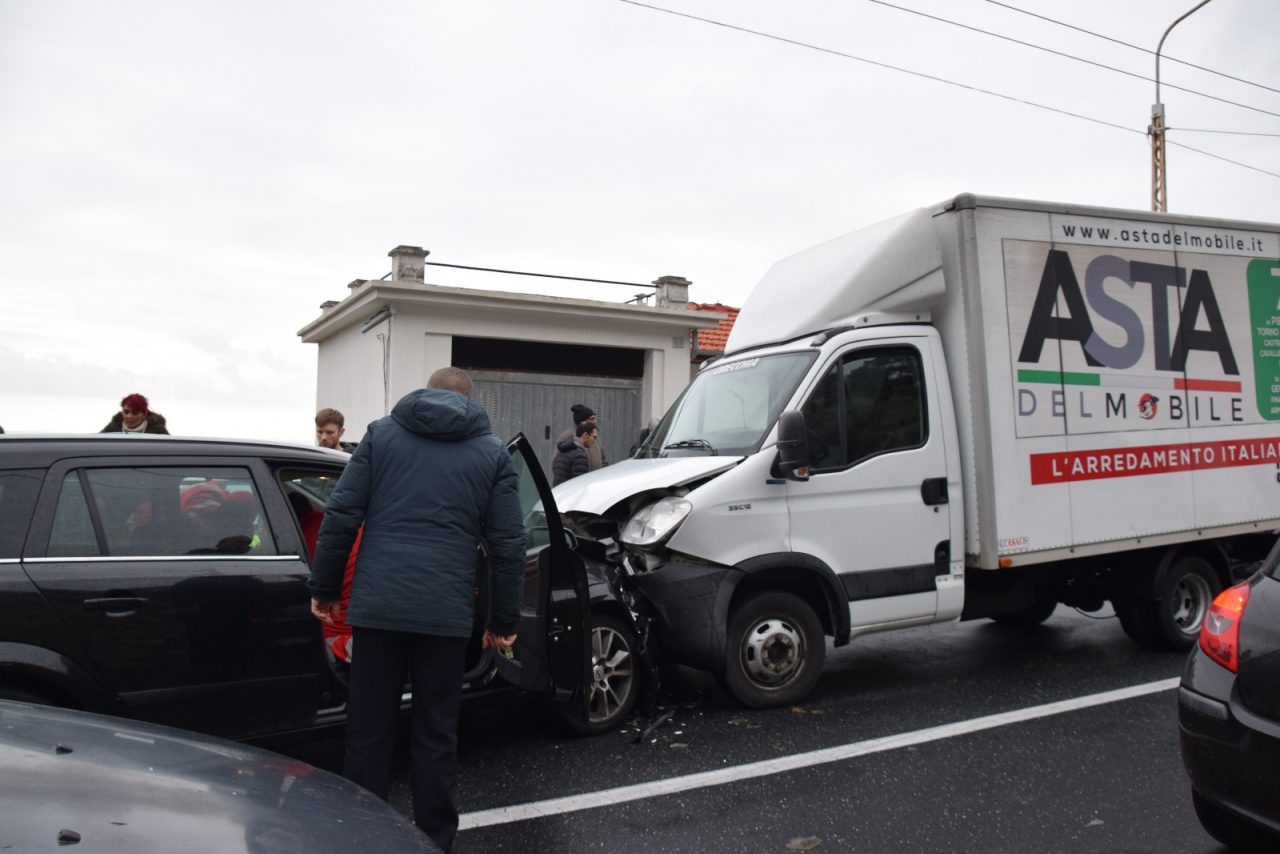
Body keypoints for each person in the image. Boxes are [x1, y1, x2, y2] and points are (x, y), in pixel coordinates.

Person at [306, 367, 524, 852]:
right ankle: (434, 840)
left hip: (378, 608)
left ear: (426, 392)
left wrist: (324, 587)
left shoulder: (381, 436)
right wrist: (503, 619)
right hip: (444, 616)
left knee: (367, 732)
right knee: (435, 733)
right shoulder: (490, 452)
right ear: (471, 401)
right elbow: (508, 543)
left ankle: (364, 837)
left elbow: (341, 514)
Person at [552, 403, 607, 471]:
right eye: (592, 419)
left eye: (595, 419)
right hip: (577, 480)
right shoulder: (567, 436)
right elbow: (556, 463)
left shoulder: (594, 436)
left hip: (596, 480)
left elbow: (603, 460)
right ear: (582, 421)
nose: (595, 422)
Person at [553, 421, 596, 486]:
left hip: (559, 493)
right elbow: (579, 484)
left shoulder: (562, 451)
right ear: (585, 435)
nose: (594, 441)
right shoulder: (579, 455)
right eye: (594, 437)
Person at [101, 393, 169, 434]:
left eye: (135, 413)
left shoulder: (159, 433)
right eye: (126, 412)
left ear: (144, 414)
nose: (129, 416)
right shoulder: (110, 430)